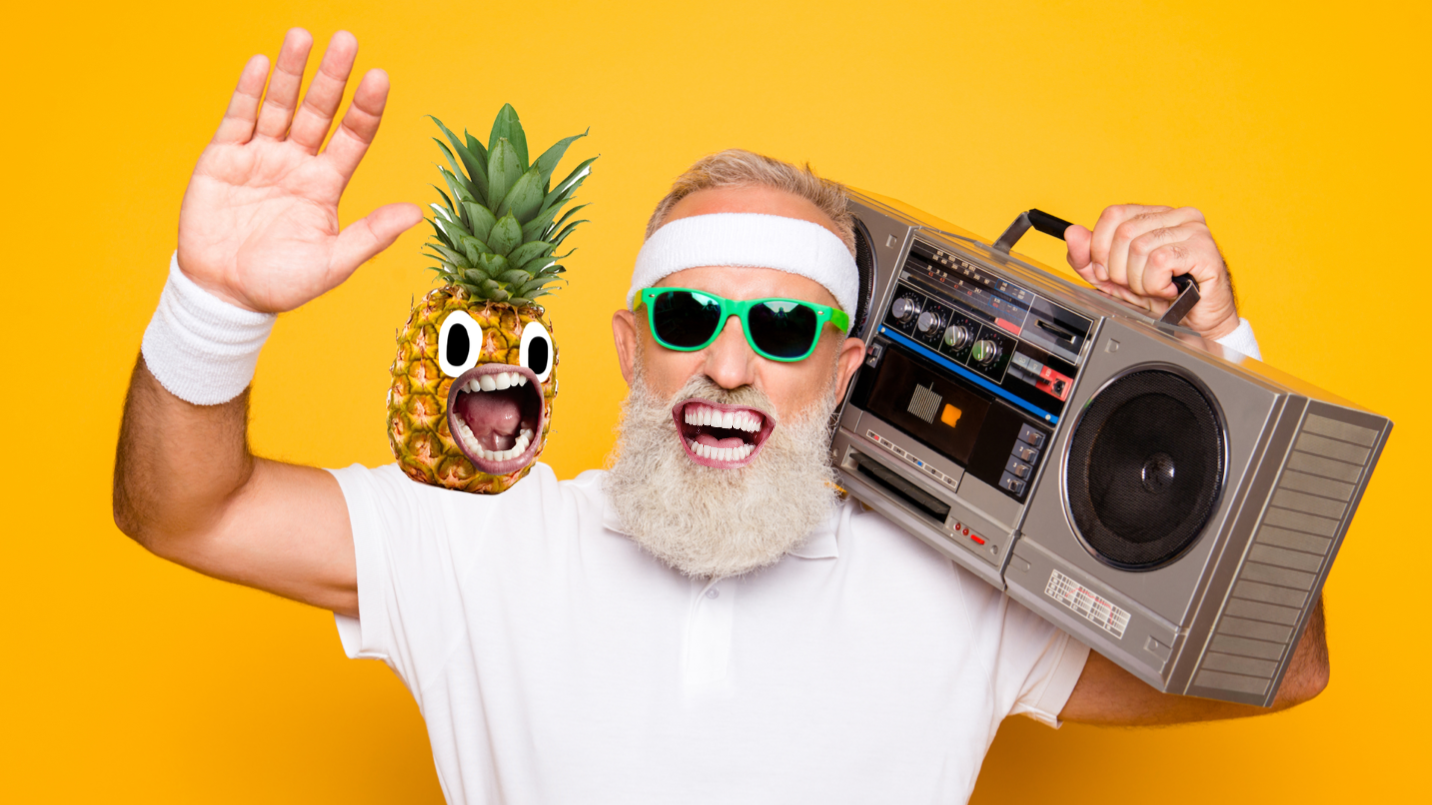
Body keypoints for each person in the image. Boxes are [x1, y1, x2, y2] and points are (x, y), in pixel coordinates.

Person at [113, 28, 1328, 804]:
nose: (731, 364)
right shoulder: (481, 548)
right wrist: (211, 301)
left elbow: (1281, 668)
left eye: (785, 330)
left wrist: (1218, 348)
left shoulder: (959, 590)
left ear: (845, 369)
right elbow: (187, 509)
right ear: (630, 347)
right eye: (689, 320)